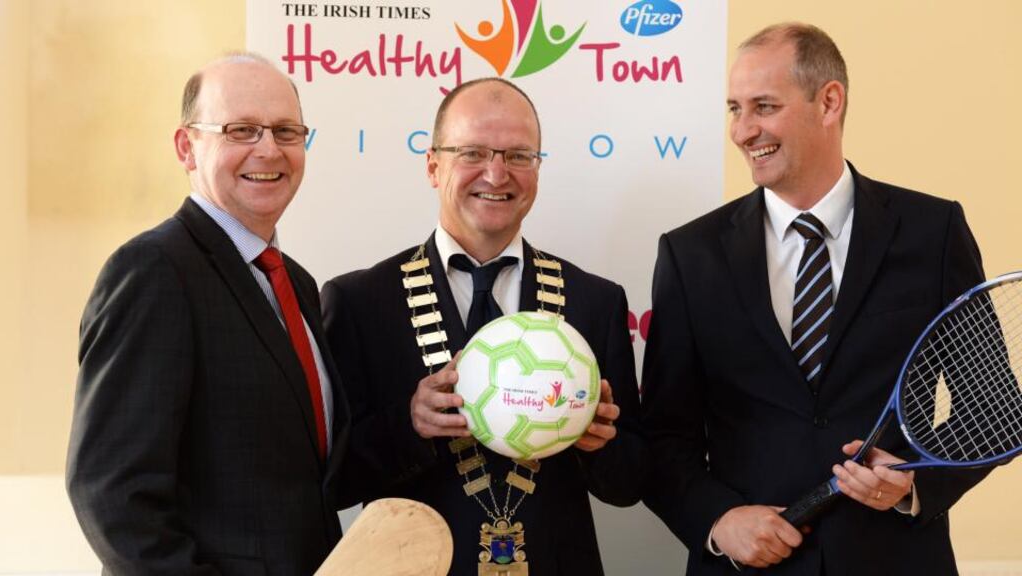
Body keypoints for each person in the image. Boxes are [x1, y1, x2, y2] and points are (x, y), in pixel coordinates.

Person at [641, 23, 988, 575]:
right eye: (734, 108)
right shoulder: (690, 254)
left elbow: (991, 408)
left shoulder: (933, 230)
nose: (742, 130)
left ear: (829, 102)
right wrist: (719, 520)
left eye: (764, 107)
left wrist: (913, 484)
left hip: (897, 559)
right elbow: (663, 436)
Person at [321, 77, 647, 575]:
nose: (497, 174)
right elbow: (333, 482)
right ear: (433, 165)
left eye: (519, 156)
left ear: (537, 169)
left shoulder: (594, 300)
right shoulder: (361, 302)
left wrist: (596, 445)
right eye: (472, 152)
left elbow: (628, 486)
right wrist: (410, 424)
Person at [66, 53, 350, 576]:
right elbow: (112, 495)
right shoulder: (153, 271)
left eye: (287, 131)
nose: (269, 149)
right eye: (241, 130)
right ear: (187, 147)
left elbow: (303, 475)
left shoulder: (297, 284)